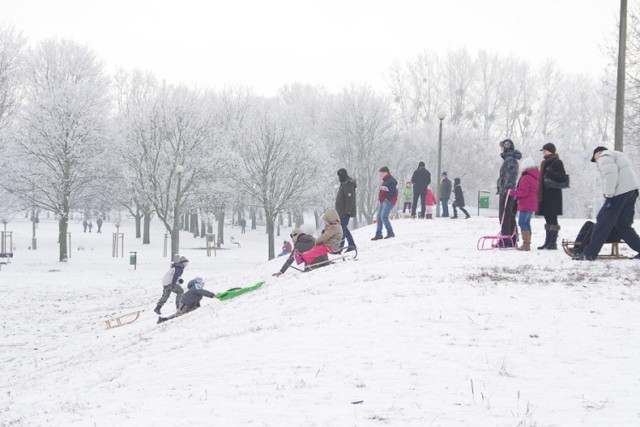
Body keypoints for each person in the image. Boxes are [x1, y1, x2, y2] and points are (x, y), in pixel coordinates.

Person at [575, 147, 640, 261]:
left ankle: (589, 254)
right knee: (623, 225)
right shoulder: (619, 156)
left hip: (619, 192)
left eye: (595, 159)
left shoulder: (604, 156)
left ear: (597, 153)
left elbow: (611, 175)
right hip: (632, 191)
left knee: (602, 221)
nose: (596, 162)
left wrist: (608, 195)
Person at [537, 143, 567, 250]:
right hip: (545, 195)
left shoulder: (556, 162)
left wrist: (551, 173)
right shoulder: (545, 163)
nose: (543, 152)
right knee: (547, 218)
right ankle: (548, 241)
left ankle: (552, 242)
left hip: (553, 195)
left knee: (552, 218)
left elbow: (562, 177)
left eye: (545, 150)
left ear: (550, 151)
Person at [510, 157, 540, 251]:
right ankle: (527, 243)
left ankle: (526, 244)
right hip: (533, 203)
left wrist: (512, 192)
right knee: (527, 222)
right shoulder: (536, 177)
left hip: (525, 203)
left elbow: (523, 192)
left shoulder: (526, 178)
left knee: (522, 222)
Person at [497, 139, 522, 247]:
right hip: (508, 191)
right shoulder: (509, 159)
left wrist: (505, 189)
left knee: (505, 216)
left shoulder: (510, 160)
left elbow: (510, 177)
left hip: (507, 192)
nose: (501, 149)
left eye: (502, 147)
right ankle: (512, 237)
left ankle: (507, 239)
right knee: (508, 215)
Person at [371, 167, 398, 240]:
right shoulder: (385, 181)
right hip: (383, 201)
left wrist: (386, 198)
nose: (381, 175)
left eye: (381, 173)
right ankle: (378, 234)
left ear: (386, 172)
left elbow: (393, 193)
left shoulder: (391, 181)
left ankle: (390, 232)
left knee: (383, 217)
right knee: (379, 217)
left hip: (388, 201)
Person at [335, 168, 357, 250]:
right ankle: (351, 245)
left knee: (342, 230)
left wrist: (348, 211)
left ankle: (340, 247)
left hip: (345, 212)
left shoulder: (348, 184)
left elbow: (349, 198)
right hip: (341, 211)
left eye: (339, 176)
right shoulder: (344, 183)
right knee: (344, 229)